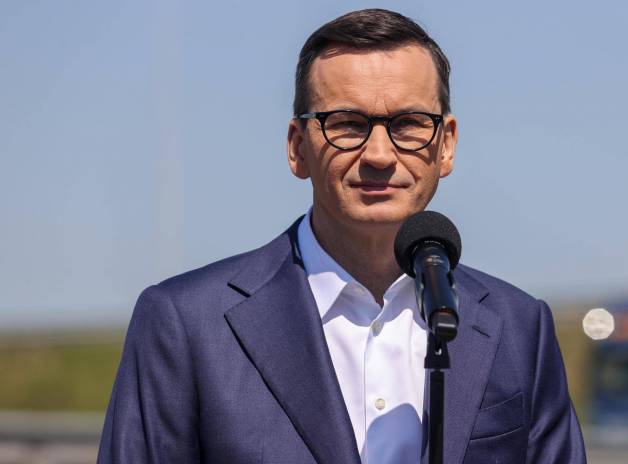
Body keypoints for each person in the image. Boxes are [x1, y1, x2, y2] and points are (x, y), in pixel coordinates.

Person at [98, 8, 585, 464]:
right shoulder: (186, 325)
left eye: (409, 124)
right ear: (297, 148)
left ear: (447, 145)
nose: (379, 155)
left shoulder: (520, 328)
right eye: (347, 125)